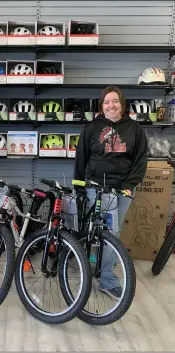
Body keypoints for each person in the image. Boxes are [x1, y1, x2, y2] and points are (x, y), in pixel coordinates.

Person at [74, 85, 148, 300]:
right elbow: (81, 159)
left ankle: (105, 277)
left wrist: (129, 185)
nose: (111, 105)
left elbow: (140, 160)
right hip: (94, 188)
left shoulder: (135, 129)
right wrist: (79, 187)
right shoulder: (91, 128)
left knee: (110, 234)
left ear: (122, 105)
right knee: (97, 232)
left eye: (115, 101)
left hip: (122, 190)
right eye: (106, 102)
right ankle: (95, 271)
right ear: (101, 106)